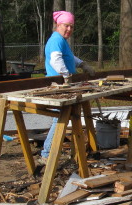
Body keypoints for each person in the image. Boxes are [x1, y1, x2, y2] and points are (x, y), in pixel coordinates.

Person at [39, 10, 95, 163]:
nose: (69, 29)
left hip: (66, 86)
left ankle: (53, 152)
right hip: (60, 87)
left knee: (62, 119)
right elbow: (55, 60)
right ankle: (47, 153)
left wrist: (82, 64)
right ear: (58, 24)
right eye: (66, 25)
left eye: (71, 26)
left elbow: (69, 56)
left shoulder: (61, 40)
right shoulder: (56, 39)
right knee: (60, 120)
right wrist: (66, 75)